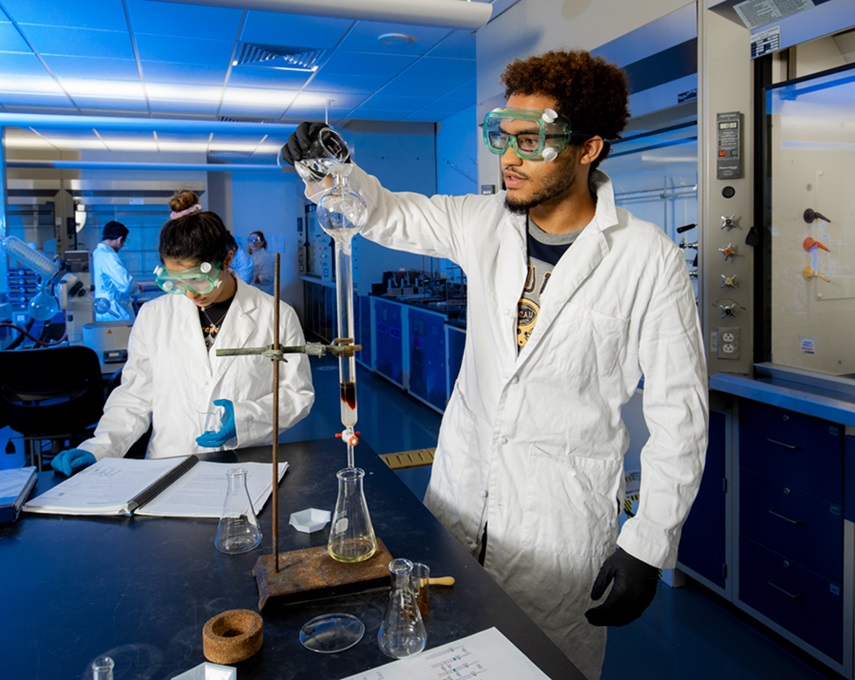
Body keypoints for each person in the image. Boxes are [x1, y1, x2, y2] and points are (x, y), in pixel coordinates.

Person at [282, 49, 708, 679]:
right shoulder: (482, 222)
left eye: (530, 141)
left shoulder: (648, 259)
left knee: (546, 666)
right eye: (502, 137)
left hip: (558, 527)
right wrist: (331, 168)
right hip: (457, 500)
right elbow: (388, 212)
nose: (508, 157)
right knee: (442, 658)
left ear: (588, 148)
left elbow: (681, 415)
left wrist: (647, 545)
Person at [51, 190, 314, 474]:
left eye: (198, 280)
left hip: (248, 466)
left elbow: (297, 394)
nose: (188, 293)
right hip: (169, 466)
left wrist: (245, 418)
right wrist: (99, 447)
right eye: (176, 281)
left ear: (226, 260)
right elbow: (135, 396)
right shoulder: (153, 316)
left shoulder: (275, 315)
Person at [91, 220, 137, 321]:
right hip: (116, 312)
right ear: (120, 239)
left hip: (103, 310)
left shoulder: (97, 253)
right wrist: (136, 289)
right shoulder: (109, 256)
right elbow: (126, 284)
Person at [248, 229, 274, 295]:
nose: (253, 243)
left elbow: (268, 277)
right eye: (251, 240)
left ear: (262, 242)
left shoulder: (265, 257)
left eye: (256, 240)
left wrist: (250, 278)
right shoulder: (252, 256)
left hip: (264, 292)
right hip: (255, 292)